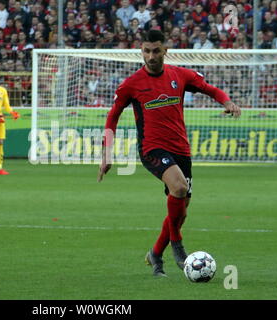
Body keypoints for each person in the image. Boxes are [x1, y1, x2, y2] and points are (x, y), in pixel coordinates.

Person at [97, 30, 241, 277]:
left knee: (181, 211)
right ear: (141, 51)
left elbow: (211, 89)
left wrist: (227, 102)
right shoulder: (131, 84)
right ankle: (177, 245)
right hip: (152, 148)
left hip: (181, 150)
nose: (151, 56)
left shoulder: (180, 75)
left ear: (165, 51)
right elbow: (113, 117)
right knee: (180, 189)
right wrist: (106, 153)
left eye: (156, 50)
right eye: (146, 51)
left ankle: (155, 253)